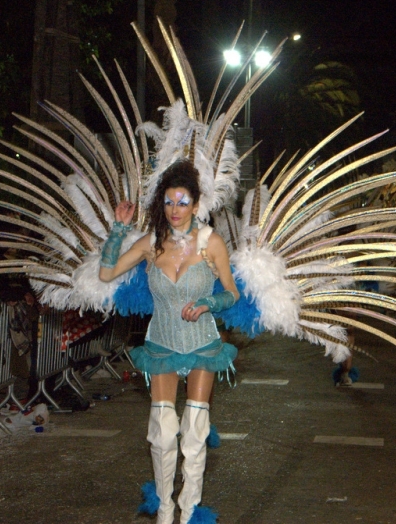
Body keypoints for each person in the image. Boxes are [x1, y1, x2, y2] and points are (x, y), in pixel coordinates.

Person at [98, 160, 238, 524]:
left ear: (195, 204)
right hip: (161, 345)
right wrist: (118, 230)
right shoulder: (150, 244)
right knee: (162, 434)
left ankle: (189, 511)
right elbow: (107, 271)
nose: (175, 211)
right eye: (169, 203)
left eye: (182, 202)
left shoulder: (211, 243)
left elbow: (232, 293)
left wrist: (209, 302)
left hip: (203, 345)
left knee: (193, 434)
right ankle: (164, 509)